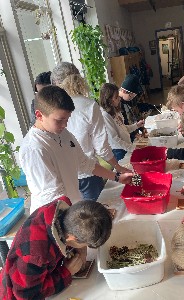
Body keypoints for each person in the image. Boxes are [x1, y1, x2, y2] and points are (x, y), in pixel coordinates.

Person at [20, 85, 133, 213]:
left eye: (67, 119)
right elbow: (52, 198)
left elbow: (85, 163)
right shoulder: (34, 149)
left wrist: (117, 177)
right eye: (59, 120)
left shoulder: (63, 133)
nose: (65, 125)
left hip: (72, 207)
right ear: (39, 115)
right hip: (54, 217)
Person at [0, 197, 113, 299]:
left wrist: (80, 249)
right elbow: (29, 295)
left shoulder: (64, 210)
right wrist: (67, 272)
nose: (86, 248)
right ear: (72, 238)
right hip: (16, 292)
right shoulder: (35, 256)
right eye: (86, 245)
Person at [51, 62, 130, 201]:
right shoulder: (88, 105)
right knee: (94, 216)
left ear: (56, 83)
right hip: (88, 174)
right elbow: (101, 147)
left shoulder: (51, 108)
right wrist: (117, 167)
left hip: (63, 176)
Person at [100, 83, 145, 161]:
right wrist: (132, 148)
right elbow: (114, 140)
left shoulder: (115, 110)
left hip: (125, 146)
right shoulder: (105, 115)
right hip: (118, 150)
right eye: (116, 97)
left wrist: (136, 125)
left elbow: (123, 129)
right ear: (109, 99)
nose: (119, 99)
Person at [119, 74, 154, 141]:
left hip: (132, 133)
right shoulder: (118, 105)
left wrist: (141, 128)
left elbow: (134, 116)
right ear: (123, 91)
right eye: (130, 96)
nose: (131, 99)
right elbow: (124, 125)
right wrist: (134, 134)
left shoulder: (127, 99)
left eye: (133, 97)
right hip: (125, 139)